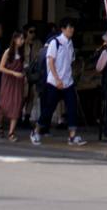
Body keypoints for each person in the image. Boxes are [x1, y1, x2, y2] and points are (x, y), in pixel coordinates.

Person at [33, 17, 85, 146]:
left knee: (72, 108)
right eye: (69, 27)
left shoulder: (70, 43)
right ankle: (36, 131)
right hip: (54, 83)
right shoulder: (55, 42)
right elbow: (50, 61)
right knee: (49, 109)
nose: (71, 30)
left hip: (68, 82)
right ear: (63, 29)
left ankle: (72, 136)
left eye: (72, 27)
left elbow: (70, 62)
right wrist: (57, 79)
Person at [0, 24, 35, 142]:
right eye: (21, 38)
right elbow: (1, 68)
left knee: (17, 104)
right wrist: (13, 73)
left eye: (23, 39)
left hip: (18, 82)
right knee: (4, 103)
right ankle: (0, 125)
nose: (22, 41)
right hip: (8, 81)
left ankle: (11, 132)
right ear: (14, 39)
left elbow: (22, 67)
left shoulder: (22, 54)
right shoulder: (8, 52)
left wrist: (24, 72)